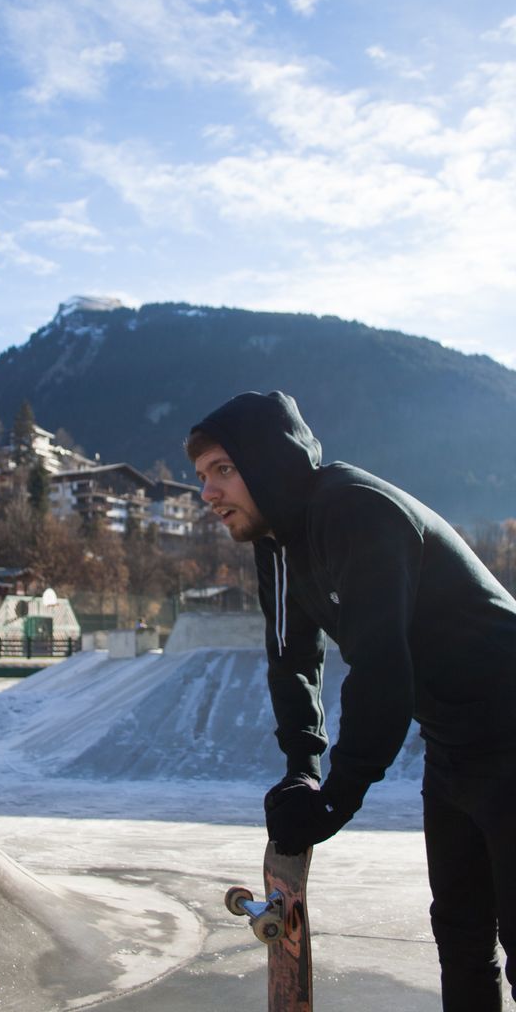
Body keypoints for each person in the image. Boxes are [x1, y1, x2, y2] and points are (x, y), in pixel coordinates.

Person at [186, 390, 516, 1012]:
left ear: (269, 461)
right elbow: (291, 657)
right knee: (462, 938)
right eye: (202, 476)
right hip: (453, 749)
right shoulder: (277, 542)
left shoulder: (355, 511)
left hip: (513, 730)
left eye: (223, 471)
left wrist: (338, 794)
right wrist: (302, 769)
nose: (208, 494)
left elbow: (382, 668)